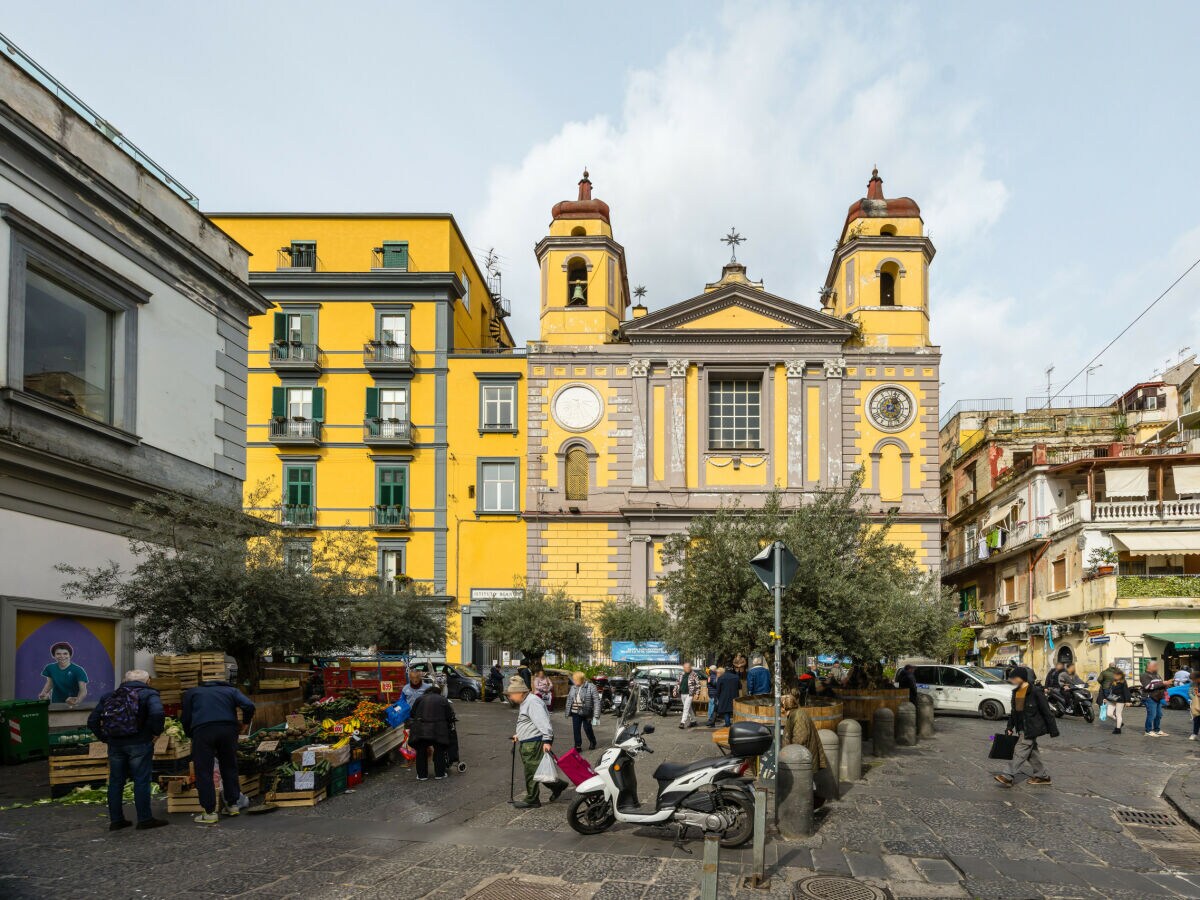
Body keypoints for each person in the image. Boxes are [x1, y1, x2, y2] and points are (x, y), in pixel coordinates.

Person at [87, 668, 167, 831]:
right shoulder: (149, 694)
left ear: (125, 680)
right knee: (141, 780)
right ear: (148, 681)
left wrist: (104, 738)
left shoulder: (110, 696)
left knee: (116, 782)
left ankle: (116, 820)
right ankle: (144, 819)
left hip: (115, 745)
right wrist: (155, 733)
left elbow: (92, 720)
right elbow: (158, 713)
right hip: (140, 743)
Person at [181, 677, 255, 825]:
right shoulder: (230, 690)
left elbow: (186, 717)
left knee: (203, 770)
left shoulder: (193, 692)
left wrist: (191, 733)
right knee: (229, 765)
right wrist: (245, 723)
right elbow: (248, 705)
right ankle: (232, 805)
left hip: (203, 730)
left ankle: (209, 812)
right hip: (228, 729)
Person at [507, 675, 566, 808]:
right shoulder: (527, 701)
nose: (510, 697)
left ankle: (532, 799)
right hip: (529, 741)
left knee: (531, 771)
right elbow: (530, 722)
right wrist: (520, 734)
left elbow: (544, 722)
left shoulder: (532, 702)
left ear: (520, 692)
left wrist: (547, 740)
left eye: (511, 694)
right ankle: (558, 786)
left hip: (534, 743)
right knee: (538, 769)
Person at [994, 665, 1058, 787]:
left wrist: (1053, 730)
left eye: (1014, 678)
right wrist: (1009, 727)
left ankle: (1008, 776)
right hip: (1021, 727)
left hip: (1031, 728)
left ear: (1022, 678)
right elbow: (1014, 712)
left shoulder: (1035, 692)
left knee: (1020, 751)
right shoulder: (1016, 692)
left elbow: (1046, 711)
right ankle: (1042, 776)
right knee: (1032, 753)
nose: (1012, 680)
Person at [781, 693, 834, 808]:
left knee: (803, 783)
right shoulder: (796, 713)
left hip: (801, 756)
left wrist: (790, 754)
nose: (780, 709)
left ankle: (808, 806)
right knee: (804, 782)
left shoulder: (798, 716)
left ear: (785, 706)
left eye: (781, 706)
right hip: (801, 755)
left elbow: (800, 738)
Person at [409, 688, 456, 781]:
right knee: (439, 751)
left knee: (421, 751)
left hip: (421, 730)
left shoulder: (420, 699)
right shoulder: (443, 699)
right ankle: (440, 774)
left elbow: (412, 714)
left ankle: (422, 775)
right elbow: (449, 716)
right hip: (438, 730)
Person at [38, 641, 88, 706]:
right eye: (58, 654)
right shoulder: (50, 668)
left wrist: (77, 700)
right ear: (54, 655)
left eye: (65, 653)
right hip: (56, 703)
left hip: (72, 706)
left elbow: (83, 691)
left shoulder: (78, 670)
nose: (62, 656)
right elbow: (50, 683)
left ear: (70, 655)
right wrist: (43, 694)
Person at [564, 672, 599, 751]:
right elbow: (569, 699)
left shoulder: (591, 686)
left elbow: (596, 701)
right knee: (576, 729)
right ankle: (578, 746)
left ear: (581, 680)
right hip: (575, 711)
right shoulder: (573, 687)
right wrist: (567, 711)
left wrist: (596, 714)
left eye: (575, 680)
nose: (574, 681)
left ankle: (593, 741)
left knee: (587, 728)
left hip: (587, 712)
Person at [1141, 661, 1168, 736]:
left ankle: (1156, 729)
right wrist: (1162, 683)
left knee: (1159, 715)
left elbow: (1160, 684)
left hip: (1157, 697)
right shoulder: (1144, 675)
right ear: (1149, 666)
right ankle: (1148, 731)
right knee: (1152, 714)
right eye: (1155, 666)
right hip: (1149, 697)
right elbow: (1148, 686)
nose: (1157, 667)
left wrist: (1166, 684)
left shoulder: (1157, 675)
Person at [1106, 670, 1131, 734]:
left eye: (1115, 675)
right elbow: (1108, 690)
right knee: (1109, 714)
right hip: (1112, 699)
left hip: (1120, 700)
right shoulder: (1112, 681)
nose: (1114, 676)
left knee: (1118, 714)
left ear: (1120, 676)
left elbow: (1126, 691)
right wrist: (1105, 698)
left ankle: (1118, 729)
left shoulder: (1123, 682)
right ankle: (1120, 722)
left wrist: (1127, 701)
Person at [677, 662, 700, 729]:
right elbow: (678, 683)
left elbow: (698, 684)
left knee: (686, 708)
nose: (687, 669)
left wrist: (697, 694)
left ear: (690, 667)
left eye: (688, 667)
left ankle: (682, 722)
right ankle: (693, 720)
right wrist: (675, 691)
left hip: (690, 694)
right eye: (686, 667)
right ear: (684, 668)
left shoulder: (694, 674)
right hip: (682, 693)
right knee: (688, 708)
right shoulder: (681, 674)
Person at [1190, 674, 1200, 741]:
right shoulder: (1195, 684)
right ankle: (1194, 734)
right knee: (1196, 718)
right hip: (1198, 703)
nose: (1193, 681)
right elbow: (1190, 691)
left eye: (1194, 679)